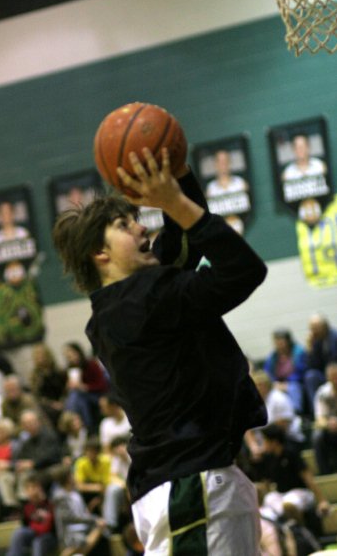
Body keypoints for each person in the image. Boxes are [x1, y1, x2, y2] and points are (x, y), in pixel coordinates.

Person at [53, 145, 268, 555]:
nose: (141, 228)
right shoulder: (147, 299)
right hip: (193, 487)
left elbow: (185, 243)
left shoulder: (118, 305)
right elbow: (244, 269)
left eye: (136, 219)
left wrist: (180, 177)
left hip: (189, 483)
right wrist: (175, 200)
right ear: (101, 253)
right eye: (124, 224)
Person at [255, 424, 329, 529]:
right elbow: (266, 483)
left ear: (274, 442)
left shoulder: (291, 453)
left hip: (301, 492)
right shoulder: (268, 458)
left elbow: (308, 478)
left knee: (289, 504)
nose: (263, 444)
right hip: (281, 494)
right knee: (269, 501)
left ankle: (300, 533)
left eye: (265, 441)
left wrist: (322, 501)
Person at [52, 466, 110, 556]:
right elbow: (71, 517)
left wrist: (91, 506)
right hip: (70, 532)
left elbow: (82, 512)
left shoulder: (75, 492)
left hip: (83, 526)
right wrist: (94, 519)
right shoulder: (60, 496)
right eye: (72, 475)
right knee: (84, 540)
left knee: (103, 531)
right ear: (68, 478)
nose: (74, 477)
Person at [6, 472, 57, 556]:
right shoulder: (26, 505)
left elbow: (47, 528)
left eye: (34, 487)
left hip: (49, 536)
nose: (31, 491)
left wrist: (34, 526)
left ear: (41, 488)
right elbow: (26, 525)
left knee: (38, 543)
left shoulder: (50, 503)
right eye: (28, 488)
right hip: (35, 533)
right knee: (19, 533)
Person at [63, 342, 109, 433]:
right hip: (83, 397)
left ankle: (75, 422)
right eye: (68, 357)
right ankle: (85, 426)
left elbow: (102, 385)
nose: (71, 358)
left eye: (72, 355)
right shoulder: (70, 369)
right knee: (78, 397)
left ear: (78, 353)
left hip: (98, 395)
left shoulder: (91, 364)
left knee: (77, 395)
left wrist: (85, 387)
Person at [263, 330, 307, 414]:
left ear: (288, 341)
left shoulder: (298, 353)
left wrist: (286, 383)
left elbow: (301, 371)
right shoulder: (272, 356)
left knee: (293, 388)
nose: (279, 345)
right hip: (277, 383)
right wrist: (273, 383)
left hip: (295, 382)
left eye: (281, 342)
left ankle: (297, 413)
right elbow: (267, 373)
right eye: (276, 343)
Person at [304, 313, 337, 415]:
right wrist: (310, 348)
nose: (313, 331)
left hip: (335, 372)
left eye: (316, 328)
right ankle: (318, 413)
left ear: (325, 326)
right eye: (312, 328)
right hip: (324, 374)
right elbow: (311, 366)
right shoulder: (316, 341)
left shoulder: (334, 337)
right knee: (310, 376)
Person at [29, 343, 67, 429]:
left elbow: (65, 388)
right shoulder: (35, 376)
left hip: (62, 400)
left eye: (42, 355)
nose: (40, 359)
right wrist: (52, 404)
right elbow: (37, 395)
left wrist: (62, 401)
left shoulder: (59, 371)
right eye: (37, 356)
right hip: (47, 404)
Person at [312, 363, 337, 474]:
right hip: (332, 430)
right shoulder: (322, 392)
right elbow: (319, 419)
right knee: (317, 436)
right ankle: (325, 473)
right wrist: (328, 423)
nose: (335, 380)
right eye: (332, 377)